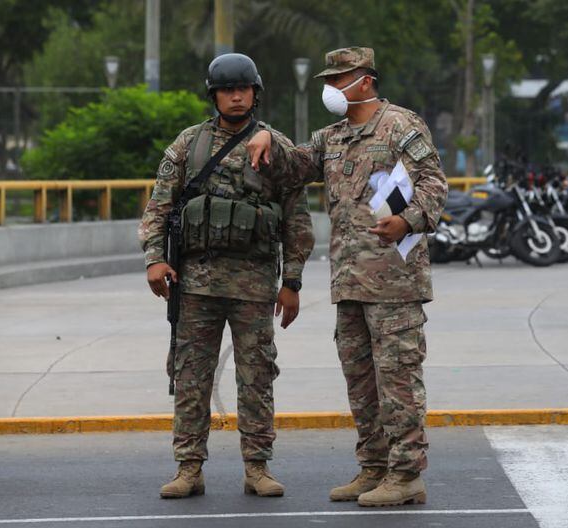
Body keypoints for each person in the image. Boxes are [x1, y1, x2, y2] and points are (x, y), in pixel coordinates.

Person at [246, 46, 447, 507]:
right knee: (360, 381)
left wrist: (408, 220)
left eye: (340, 79)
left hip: (395, 283)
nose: (332, 88)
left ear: (366, 80)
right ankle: (373, 467)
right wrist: (267, 136)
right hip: (349, 282)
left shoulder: (400, 125)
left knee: (398, 381)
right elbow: (295, 165)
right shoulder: (331, 138)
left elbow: (434, 182)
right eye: (330, 80)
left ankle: (406, 474)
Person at [139, 53, 314, 499]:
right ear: (214, 96)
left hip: (254, 285)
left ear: (255, 93)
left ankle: (257, 467)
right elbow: (159, 206)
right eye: (227, 90)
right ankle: (188, 467)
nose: (236, 97)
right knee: (190, 376)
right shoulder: (190, 143)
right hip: (196, 284)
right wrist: (154, 258)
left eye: (243, 89)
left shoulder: (277, 146)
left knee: (257, 377)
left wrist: (292, 282)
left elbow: (297, 219)